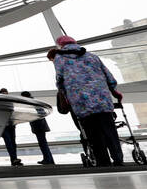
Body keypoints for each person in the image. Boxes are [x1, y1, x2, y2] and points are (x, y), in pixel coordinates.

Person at [50, 35, 123, 166]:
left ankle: (103, 162)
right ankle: (118, 158)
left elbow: (60, 80)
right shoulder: (92, 56)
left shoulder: (59, 59)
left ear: (60, 46)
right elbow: (108, 76)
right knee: (109, 130)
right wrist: (114, 91)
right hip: (102, 100)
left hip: (81, 102)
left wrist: (64, 92)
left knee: (92, 133)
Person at [20, 91, 55, 164]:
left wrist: (31, 116)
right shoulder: (34, 102)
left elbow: (40, 114)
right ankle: (49, 159)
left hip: (39, 126)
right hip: (41, 126)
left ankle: (48, 159)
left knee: (42, 144)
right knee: (43, 143)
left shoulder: (32, 103)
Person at [0, 88, 23, 167]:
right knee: (9, 143)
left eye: (6, 94)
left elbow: (13, 113)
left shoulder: (10, 103)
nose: (5, 95)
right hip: (4, 127)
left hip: (11, 126)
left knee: (13, 143)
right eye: (3, 94)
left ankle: (14, 160)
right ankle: (14, 159)